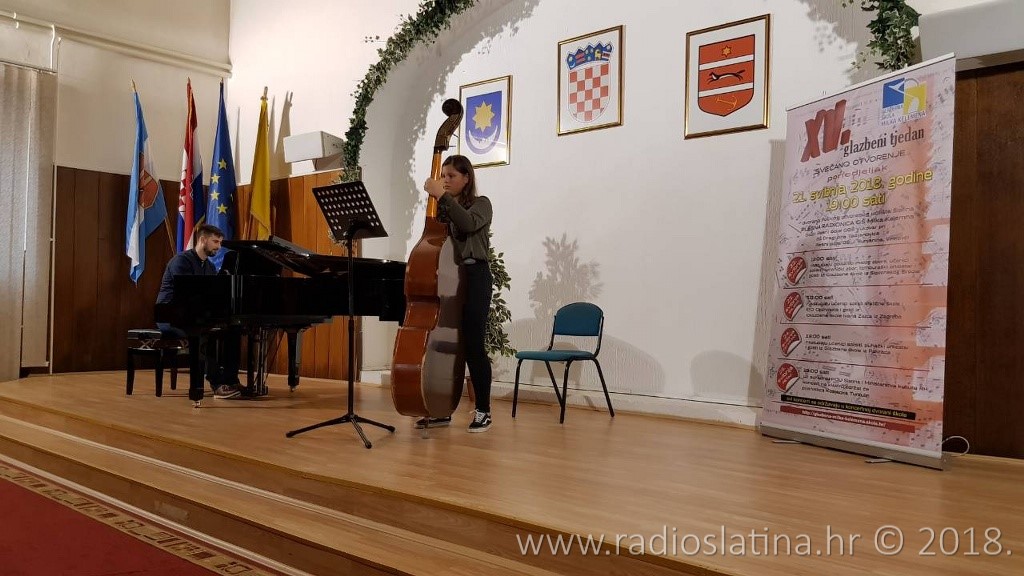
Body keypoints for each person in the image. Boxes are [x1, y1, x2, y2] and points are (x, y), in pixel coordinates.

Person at [420, 155, 494, 432]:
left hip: (477, 278)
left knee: (474, 345)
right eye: (443, 176)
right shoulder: (446, 208)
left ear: (466, 178)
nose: (446, 180)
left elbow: (468, 224)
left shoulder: (482, 204)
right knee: (448, 346)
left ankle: (484, 411)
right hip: (454, 280)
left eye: (451, 176)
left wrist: (441, 196)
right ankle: (441, 408)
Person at [156, 224, 242, 399]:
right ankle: (216, 384)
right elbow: (185, 297)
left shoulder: (209, 266)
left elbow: (209, 298)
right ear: (203, 239)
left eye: (220, 242)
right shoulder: (181, 261)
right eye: (215, 242)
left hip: (194, 316)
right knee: (204, 334)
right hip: (170, 316)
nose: (219, 247)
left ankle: (230, 380)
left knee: (233, 330)